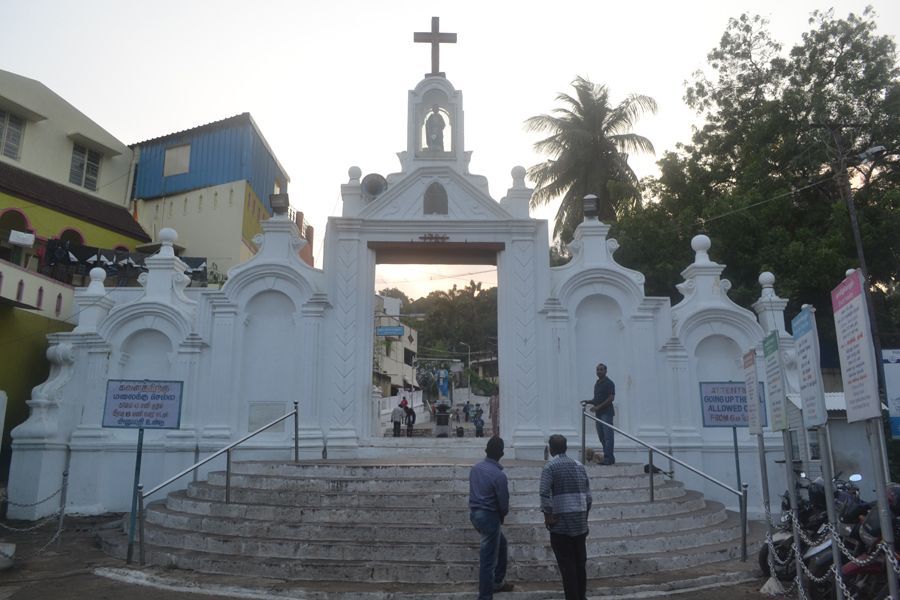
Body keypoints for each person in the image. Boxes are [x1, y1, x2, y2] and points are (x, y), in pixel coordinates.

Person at [540, 434, 592, 600]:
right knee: (579, 564)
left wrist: (548, 517)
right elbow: (588, 497)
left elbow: (544, 492)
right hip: (579, 524)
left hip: (560, 525)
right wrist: (585, 520)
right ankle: (581, 596)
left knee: (567, 566)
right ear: (566, 448)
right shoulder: (579, 466)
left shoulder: (550, 467)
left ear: (551, 449)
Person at [469, 437, 514, 598]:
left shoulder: (476, 468)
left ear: (486, 450)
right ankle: (485, 596)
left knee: (502, 544)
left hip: (475, 514)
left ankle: (498, 582)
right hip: (489, 516)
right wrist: (501, 515)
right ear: (502, 454)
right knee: (488, 561)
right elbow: (503, 503)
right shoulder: (499, 476)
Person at [580, 363, 615, 465]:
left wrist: (598, 407)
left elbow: (611, 398)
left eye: (601, 370)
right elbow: (597, 399)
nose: (599, 371)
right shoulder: (597, 384)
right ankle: (608, 457)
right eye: (597, 370)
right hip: (599, 414)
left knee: (608, 436)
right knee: (601, 436)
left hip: (606, 413)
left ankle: (608, 458)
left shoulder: (609, 383)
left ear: (606, 371)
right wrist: (588, 401)